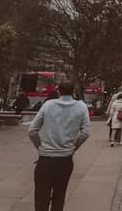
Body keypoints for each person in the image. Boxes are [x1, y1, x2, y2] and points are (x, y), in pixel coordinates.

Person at [28, 81, 90, 211]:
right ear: (73, 92)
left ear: (58, 91)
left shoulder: (48, 105)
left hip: (45, 157)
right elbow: (85, 133)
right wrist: (73, 147)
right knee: (59, 195)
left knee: (41, 197)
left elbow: (32, 131)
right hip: (65, 158)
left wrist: (40, 147)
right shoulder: (81, 107)